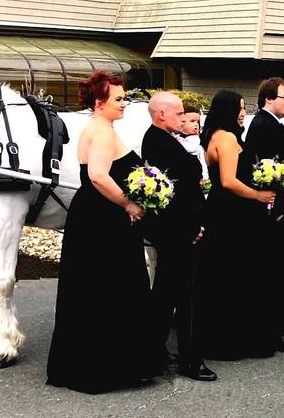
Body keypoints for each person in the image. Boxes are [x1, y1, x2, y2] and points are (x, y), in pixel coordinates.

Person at [47, 70, 166, 393]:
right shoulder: (99, 131)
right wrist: (128, 204)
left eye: (124, 97)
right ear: (100, 102)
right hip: (101, 220)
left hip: (96, 216)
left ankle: (109, 363)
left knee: (100, 289)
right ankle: (107, 368)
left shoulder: (102, 128)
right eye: (119, 99)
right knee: (108, 288)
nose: (124, 103)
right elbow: (99, 176)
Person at [141, 92, 216, 382]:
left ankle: (155, 353)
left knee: (167, 293)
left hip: (175, 229)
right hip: (177, 231)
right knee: (182, 296)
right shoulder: (160, 143)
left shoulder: (163, 139)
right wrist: (193, 226)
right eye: (177, 114)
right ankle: (188, 359)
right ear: (161, 115)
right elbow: (175, 194)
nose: (182, 118)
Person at [197, 90, 276, 359]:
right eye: (240, 108)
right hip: (233, 214)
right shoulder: (228, 138)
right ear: (228, 109)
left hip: (221, 211)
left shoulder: (213, 135)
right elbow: (229, 181)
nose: (243, 112)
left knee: (223, 276)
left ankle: (220, 338)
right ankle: (235, 340)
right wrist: (258, 195)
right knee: (236, 276)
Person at [243, 77, 284, 354]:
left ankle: (275, 330)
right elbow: (266, 172)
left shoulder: (271, 124)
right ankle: (274, 333)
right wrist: (278, 209)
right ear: (269, 98)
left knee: (282, 273)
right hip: (276, 212)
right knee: (276, 275)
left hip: (281, 210)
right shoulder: (264, 126)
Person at [179, 104, 208, 180]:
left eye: (197, 122)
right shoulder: (179, 138)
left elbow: (194, 149)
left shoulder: (197, 139)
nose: (196, 124)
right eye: (192, 121)